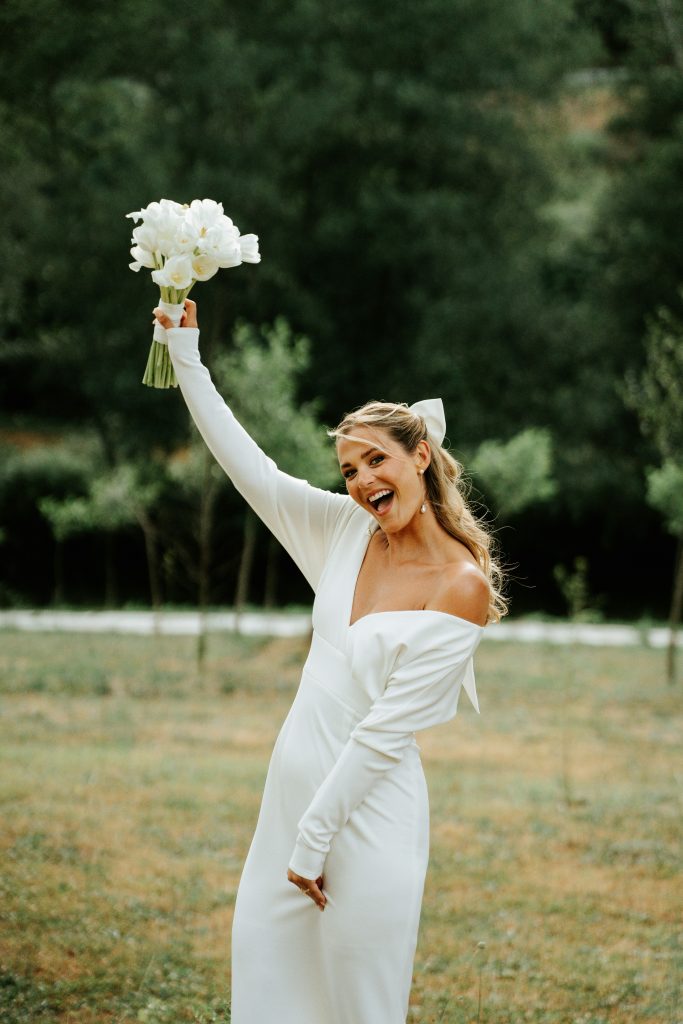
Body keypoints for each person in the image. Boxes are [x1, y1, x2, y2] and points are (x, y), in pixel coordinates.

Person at [153, 298, 507, 1024]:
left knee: (357, 1007)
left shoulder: (460, 587)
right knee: (266, 994)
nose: (361, 481)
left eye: (376, 459)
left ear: (421, 457)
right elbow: (251, 469)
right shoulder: (344, 531)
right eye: (348, 469)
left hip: (366, 820)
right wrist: (185, 354)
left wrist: (315, 842)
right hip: (285, 808)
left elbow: (380, 734)